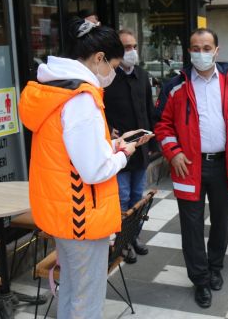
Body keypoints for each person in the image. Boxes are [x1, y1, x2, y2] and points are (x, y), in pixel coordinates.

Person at [19, 17, 149, 318]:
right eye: (113, 66)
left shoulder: (54, 91)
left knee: (73, 291)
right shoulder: (82, 99)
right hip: (83, 215)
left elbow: (70, 155)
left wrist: (111, 147)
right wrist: (125, 153)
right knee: (86, 300)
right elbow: (93, 171)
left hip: (63, 211)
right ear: (99, 58)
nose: (112, 74)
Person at [154, 28, 228, 309]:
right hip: (189, 167)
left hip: (224, 165)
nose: (201, 53)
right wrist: (172, 153)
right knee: (192, 226)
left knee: (222, 221)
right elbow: (162, 123)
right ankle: (200, 279)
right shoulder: (176, 85)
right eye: (195, 47)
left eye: (206, 47)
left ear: (217, 50)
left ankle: (215, 267)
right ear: (189, 51)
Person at [103, 29, 157, 264]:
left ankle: (132, 237)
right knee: (122, 197)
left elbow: (148, 108)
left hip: (141, 148)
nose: (131, 51)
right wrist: (108, 130)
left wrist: (153, 141)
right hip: (120, 150)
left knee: (137, 196)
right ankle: (120, 243)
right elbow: (99, 111)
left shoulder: (142, 76)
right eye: (126, 47)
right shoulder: (108, 77)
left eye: (134, 46)